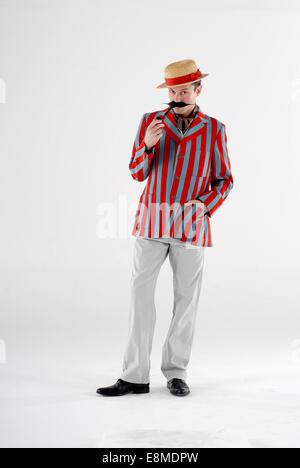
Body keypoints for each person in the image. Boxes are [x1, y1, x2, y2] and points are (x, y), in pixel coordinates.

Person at [97, 59, 234, 397]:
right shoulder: (150, 122)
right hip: (151, 222)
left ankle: (176, 372)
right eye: (172, 91)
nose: (177, 96)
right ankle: (134, 376)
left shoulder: (215, 129)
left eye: (184, 90)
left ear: (198, 90)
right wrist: (147, 145)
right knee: (139, 296)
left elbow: (225, 181)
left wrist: (205, 205)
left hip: (191, 227)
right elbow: (137, 172)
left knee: (186, 300)